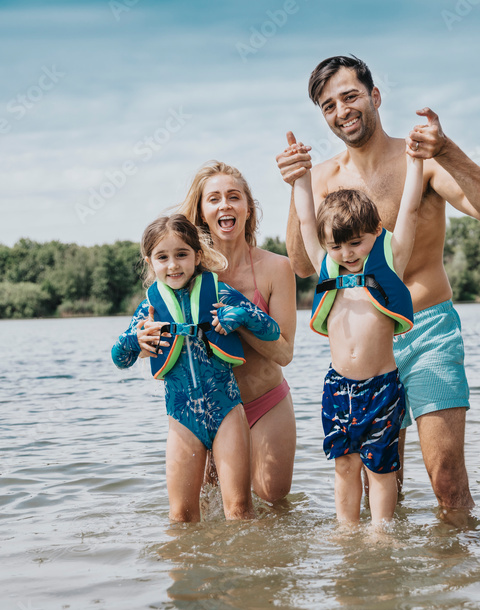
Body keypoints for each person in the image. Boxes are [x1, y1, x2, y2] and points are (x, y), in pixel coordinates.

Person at [276, 55, 480, 512]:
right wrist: (295, 185)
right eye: (328, 105)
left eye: (350, 96)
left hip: (426, 331)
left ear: (374, 96)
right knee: (384, 490)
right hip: (363, 353)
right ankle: (386, 579)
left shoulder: (420, 159)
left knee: (446, 479)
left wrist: (445, 150)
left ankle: (458, 574)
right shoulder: (323, 177)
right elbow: (304, 266)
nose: (341, 110)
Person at [290, 129, 423, 526]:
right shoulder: (327, 265)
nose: (346, 254)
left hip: (381, 388)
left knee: (381, 470)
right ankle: (347, 531)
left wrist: (415, 163)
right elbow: (304, 218)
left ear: (375, 235)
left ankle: (381, 535)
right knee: (344, 465)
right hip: (337, 387)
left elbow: (411, 211)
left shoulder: (390, 260)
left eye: (356, 244)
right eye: (337, 246)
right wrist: (300, 176)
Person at [111, 214, 281, 522]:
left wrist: (241, 315)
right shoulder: (148, 310)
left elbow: (271, 330)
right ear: (150, 263)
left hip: (226, 412)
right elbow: (119, 359)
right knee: (181, 516)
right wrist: (133, 341)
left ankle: (247, 565)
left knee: (239, 511)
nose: (173, 265)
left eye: (181, 255)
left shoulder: (218, 294)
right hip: (182, 420)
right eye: (163, 257)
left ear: (197, 256)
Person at [178, 161, 297, 504]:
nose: (225, 204)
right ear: (202, 212)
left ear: (248, 209)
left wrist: (243, 320)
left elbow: (284, 353)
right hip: (209, 408)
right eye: (213, 199)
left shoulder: (277, 268)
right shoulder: (186, 272)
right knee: (207, 509)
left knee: (273, 501)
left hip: (265, 401)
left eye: (234, 197)